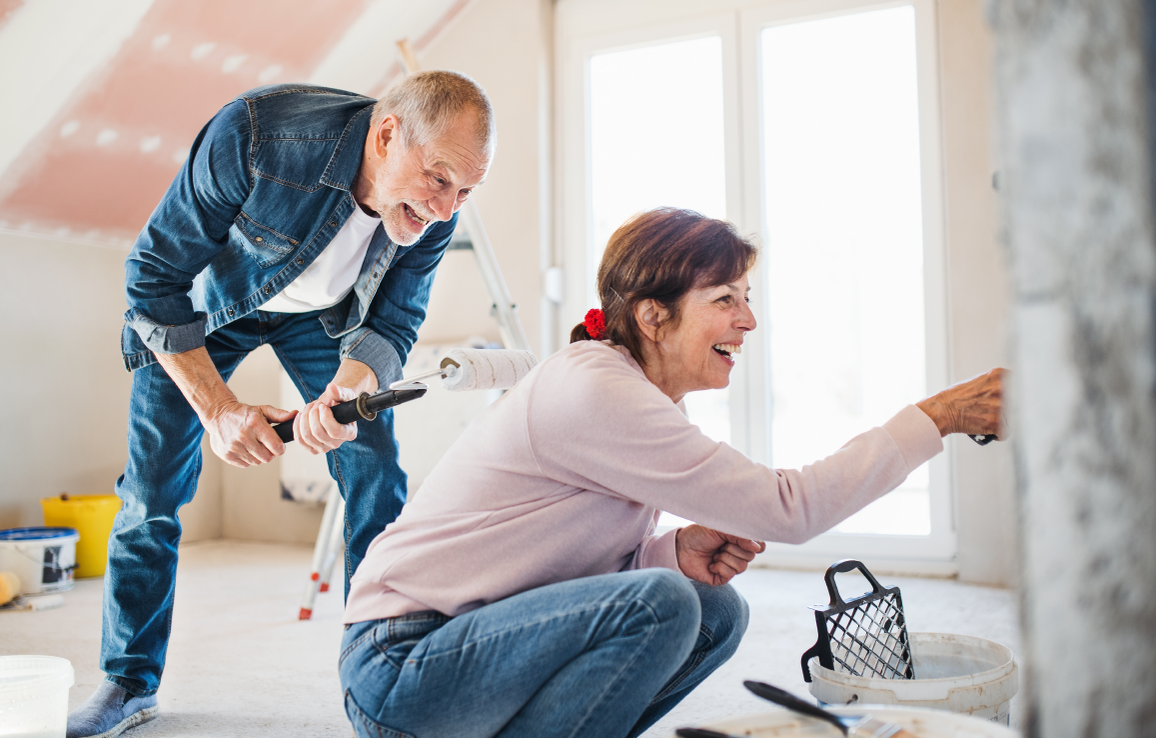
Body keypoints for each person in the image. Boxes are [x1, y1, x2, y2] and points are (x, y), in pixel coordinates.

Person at [336, 207, 1005, 738]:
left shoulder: (635, 395)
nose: (746, 320)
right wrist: (937, 416)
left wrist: (667, 549)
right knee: (663, 603)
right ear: (653, 317)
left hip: (462, 648)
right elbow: (789, 509)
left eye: (745, 296)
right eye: (724, 299)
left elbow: (544, 570)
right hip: (402, 666)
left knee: (714, 609)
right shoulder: (596, 390)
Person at [66, 72, 495, 738]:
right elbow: (151, 279)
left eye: (466, 190)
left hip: (319, 321)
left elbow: (395, 320)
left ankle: (381, 672)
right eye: (439, 179)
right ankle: (128, 681)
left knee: (375, 470)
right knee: (150, 494)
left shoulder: (439, 210)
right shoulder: (257, 137)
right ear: (387, 135)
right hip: (204, 309)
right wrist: (218, 410)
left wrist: (346, 390)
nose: (446, 208)